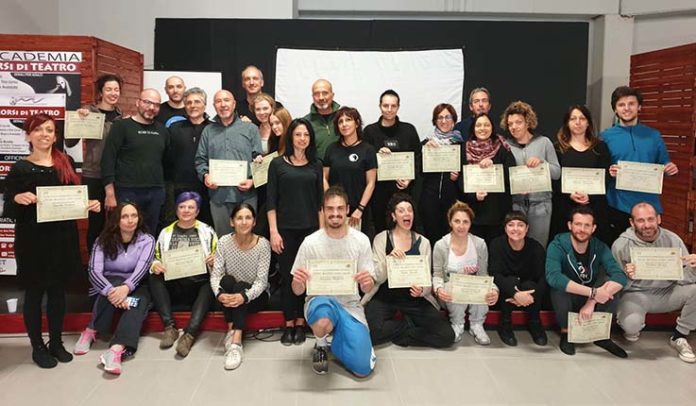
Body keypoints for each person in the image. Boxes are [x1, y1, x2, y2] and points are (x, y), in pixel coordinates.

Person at [3, 114, 100, 368]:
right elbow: (9, 208)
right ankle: (37, 346)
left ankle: (56, 342)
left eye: (49, 130)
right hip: (33, 240)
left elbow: (73, 197)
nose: (44, 134)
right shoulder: (20, 168)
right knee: (34, 293)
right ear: (28, 135)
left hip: (62, 237)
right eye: (38, 130)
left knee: (58, 291)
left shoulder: (64, 162)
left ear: (55, 136)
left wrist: (88, 203)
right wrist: (17, 199)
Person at [291, 186, 377, 376]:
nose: (335, 214)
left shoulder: (361, 240)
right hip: (320, 302)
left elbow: (368, 287)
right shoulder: (310, 242)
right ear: (322, 210)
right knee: (323, 319)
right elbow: (297, 291)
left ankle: (340, 341)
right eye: (330, 208)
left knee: (362, 369)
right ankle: (321, 344)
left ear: (347, 209)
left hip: (350, 305)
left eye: (340, 208)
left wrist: (366, 282)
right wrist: (298, 282)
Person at [362, 192, 454, 348]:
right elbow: (377, 276)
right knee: (369, 334)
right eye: (401, 210)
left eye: (410, 210)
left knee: (446, 336)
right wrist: (388, 260)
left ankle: (405, 333)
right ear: (393, 216)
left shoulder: (423, 242)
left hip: (414, 299)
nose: (407, 214)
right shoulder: (381, 238)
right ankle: (405, 325)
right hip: (385, 297)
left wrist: (422, 290)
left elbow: (427, 281)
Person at [73, 202, 155, 375]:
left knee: (138, 302)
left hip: (135, 285)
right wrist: (112, 292)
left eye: (134, 216)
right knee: (114, 283)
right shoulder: (102, 240)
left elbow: (143, 268)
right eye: (125, 216)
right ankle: (91, 330)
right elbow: (94, 271)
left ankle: (116, 350)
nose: (130, 220)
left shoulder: (147, 240)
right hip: (107, 286)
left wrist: (126, 289)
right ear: (116, 220)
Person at [611, 202, 696, 363]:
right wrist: (627, 276)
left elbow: (686, 278)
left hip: (668, 291)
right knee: (631, 326)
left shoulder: (673, 240)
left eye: (650, 219)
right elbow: (614, 283)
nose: (647, 225)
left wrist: (694, 269)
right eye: (640, 220)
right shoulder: (621, 245)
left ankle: (680, 336)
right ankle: (630, 327)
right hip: (635, 294)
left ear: (658, 219)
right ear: (632, 222)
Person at [267, 118, 323, 345]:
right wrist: (273, 232)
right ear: (291, 137)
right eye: (298, 134)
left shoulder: (316, 165)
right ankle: (288, 322)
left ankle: (301, 322)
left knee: (306, 277)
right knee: (289, 276)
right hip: (285, 231)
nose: (302, 138)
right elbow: (271, 202)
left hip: (310, 231)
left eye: (306, 135)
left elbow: (320, 203)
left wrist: (322, 234)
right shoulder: (277, 164)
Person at [545, 206, 627, 357]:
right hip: (571, 295)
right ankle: (567, 333)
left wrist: (592, 300)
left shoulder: (600, 247)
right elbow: (553, 276)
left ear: (593, 228)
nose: (582, 229)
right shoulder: (557, 245)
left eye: (587, 225)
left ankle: (602, 336)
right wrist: (593, 293)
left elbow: (620, 275)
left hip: (591, 298)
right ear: (570, 225)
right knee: (558, 289)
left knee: (612, 285)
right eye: (578, 224)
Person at [600, 86, 678, 244]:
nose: (626, 108)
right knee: (617, 250)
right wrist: (609, 172)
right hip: (617, 205)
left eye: (631, 104)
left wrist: (670, 167)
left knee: (646, 253)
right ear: (615, 109)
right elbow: (599, 170)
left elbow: (664, 162)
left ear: (639, 107)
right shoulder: (605, 137)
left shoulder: (653, 135)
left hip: (649, 207)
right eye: (621, 105)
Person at [149, 191, 218, 357]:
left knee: (212, 283)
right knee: (153, 277)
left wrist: (214, 260)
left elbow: (219, 257)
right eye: (182, 206)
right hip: (174, 284)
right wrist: (156, 265)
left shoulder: (207, 231)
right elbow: (156, 258)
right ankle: (170, 327)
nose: (186, 210)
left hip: (198, 284)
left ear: (197, 211)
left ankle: (189, 334)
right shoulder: (165, 232)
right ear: (176, 209)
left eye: (191, 207)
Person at [64, 73, 123, 250]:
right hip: (93, 175)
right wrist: (78, 120)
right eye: (109, 89)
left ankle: (112, 259)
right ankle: (94, 260)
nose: (113, 93)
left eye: (116, 89)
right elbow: (69, 142)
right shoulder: (88, 113)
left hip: (116, 176)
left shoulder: (122, 117)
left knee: (116, 222)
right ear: (101, 92)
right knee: (96, 222)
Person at [101, 88, 171, 234]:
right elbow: (108, 159)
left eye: (156, 104)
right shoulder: (121, 127)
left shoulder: (163, 131)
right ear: (138, 102)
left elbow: (166, 162)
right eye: (147, 102)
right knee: (123, 234)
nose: (151, 107)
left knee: (149, 234)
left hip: (155, 192)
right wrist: (110, 192)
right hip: (126, 191)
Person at [210, 203, 271, 370]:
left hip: (256, 296)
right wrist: (219, 294)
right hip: (231, 294)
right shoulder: (224, 242)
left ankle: (235, 343)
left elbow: (261, 282)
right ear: (232, 222)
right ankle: (232, 330)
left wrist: (244, 296)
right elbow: (216, 275)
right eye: (239, 218)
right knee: (227, 281)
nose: (244, 222)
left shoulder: (263, 244)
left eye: (248, 218)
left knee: (241, 286)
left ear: (254, 222)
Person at [194, 89, 262, 236]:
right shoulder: (208, 131)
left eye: (226, 100)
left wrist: (252, 180)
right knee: (223, 239)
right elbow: (200, 159)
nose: (223, 104)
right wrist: (206, 176)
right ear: (214, 106)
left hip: (246, 196)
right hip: (218, 197)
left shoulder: (251, 129)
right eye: (218, 101)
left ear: (234, 104)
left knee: (246, 238)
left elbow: (259, 159)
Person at [432, 201, 499, 345]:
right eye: (457, 221)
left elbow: (484, 275)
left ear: (470, 224)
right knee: (453, 286)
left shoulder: (480, 244)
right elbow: (437, 275)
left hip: (473, 290)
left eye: (465, 222)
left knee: (485, 287)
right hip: (450, 293)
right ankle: (457, 324)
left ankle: (477, 325)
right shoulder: (441, 245)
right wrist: (438, 289)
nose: (461, 226)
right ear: (450, 222)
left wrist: (494, 290)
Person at [501, 100, 560, 247]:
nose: (514, 127)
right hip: (516, 206)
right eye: (510, 124)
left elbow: (557, 173)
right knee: (516, 247)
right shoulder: (506, 146)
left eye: (518, 122)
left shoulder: (544, 142)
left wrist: (542, 163)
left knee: (538, 247)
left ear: (528, 122)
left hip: (541, 205)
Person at [363, 89, 422, 233]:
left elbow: (418, 158)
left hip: (404, 191)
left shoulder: (409, 130)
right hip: (379, 193)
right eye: (385, 106)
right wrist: (377, 155)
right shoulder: (370, 131)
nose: (389, 109)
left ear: (398, 107)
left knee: (405, 230)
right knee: (381, 230)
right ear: (380, 106)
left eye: (393, 106)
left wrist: (410, 178)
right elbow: (365, 162)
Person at [488, 211, 547, 346]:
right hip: (508, 288)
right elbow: (495, 274)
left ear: (527, 229)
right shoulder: (497, 244)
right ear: (505, 228)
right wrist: (515, 294)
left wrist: (530, 296)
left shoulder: (536, 247)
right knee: (509, 282)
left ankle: (535, 322)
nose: (515, 229)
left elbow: (544, 277)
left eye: (520, 225)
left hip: (528, 289)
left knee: (530, 285)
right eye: (511, 225)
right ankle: (505, 324)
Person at [553, 105, 610, 244]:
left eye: (582, 118)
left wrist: (589, 196)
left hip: (594, 205)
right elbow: (554, 178)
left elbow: (606, 177)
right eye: (573, 119)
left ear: (588, 122)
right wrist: (569, 194)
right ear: (567, 123)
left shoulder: (600, 147)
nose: (578, 122)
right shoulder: (557, 148)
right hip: (566, 206)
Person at [461, 112, 515, 244]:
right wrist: (474, 195)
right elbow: (460, 180)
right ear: (473, 128)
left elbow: (512, 175)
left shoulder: (502, 147)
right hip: (473, 212)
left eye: (486, 125)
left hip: (498, 212)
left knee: (496, 249)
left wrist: (494, 165)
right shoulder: (464, 149)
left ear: (492, 128)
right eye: (478, 125)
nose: (482, 128)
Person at [323, 106, 377, 235]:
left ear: (357, 123)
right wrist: (331, 203)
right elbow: (324, 178)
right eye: (340, 121)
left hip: (358, 211)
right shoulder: (331, 149)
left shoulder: (367, 149)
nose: (344, 124)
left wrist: (360, 209)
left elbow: (371, 183)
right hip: (336, 210)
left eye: (348, 120)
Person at [165, 87, 214, 225]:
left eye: (197, 102)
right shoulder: (174, 128)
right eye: (189, 102)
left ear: (205, 105)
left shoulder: (214, 128)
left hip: (208, 188)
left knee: (206, 227)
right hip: (180, 188)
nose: (193, 106)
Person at [419, 103, 464, 245]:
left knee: (450, 240)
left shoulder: (461, 144)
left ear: (454, 119)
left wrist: (458, 177)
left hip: (452, 200)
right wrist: (424, 151)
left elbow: (468, 173)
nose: (444, 121)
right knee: (431, 238)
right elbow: (417, 171)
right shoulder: (426, 143)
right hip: (429, 199)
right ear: (435, 121)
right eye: (440, 118)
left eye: (448, 117)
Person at [304, 79, 340, 160]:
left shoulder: (343, 119)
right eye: (316, 94)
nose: (321, 98)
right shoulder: (305, 122)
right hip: (315, 167)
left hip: (342, 166)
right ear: (312, 97)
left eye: (325, 93)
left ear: (332, 95)